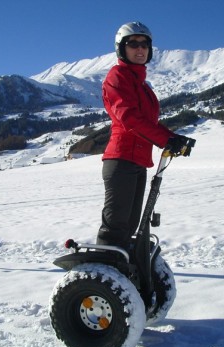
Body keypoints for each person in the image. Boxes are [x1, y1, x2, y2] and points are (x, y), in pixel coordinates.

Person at [96, 21, 189, 250]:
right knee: (115, 228)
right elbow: (128, 117)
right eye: (133, 43)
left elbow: (149, 123)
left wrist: (175, 138)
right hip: (121, 160)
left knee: (130, 228)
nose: (140, 49)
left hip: (138, 162)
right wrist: (165, 139)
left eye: (145, 44)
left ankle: (124, 279)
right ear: (121, 48)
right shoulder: (117, 76)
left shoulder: (142, 85)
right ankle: (102, 279)